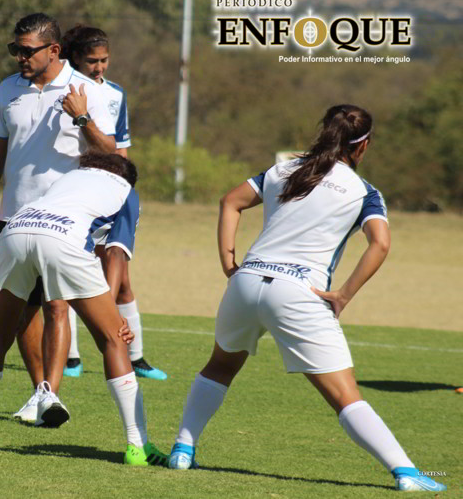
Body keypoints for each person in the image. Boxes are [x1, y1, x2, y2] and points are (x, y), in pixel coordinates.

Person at [167, 105, 446, 492]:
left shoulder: (283, 169)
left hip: (246, 283)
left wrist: (229, 264)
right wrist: (343, 295)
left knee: (219, 366)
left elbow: (229, 201)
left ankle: (183, 449)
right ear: (362, 146)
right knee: (345, 394)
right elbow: (380, 245)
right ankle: (406, 473)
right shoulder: (363, 192)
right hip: (299, 292)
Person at [0, 153, 167, 466]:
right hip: (62, 239)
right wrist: (112, 315)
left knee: (0, 333)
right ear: (126, 177)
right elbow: (115, 254)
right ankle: (138, 447)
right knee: (114, 340)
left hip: (16, 230)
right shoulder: (127, 191)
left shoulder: (70, 177)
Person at [0, 13, 117, 427]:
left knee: (57, 306)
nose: (19, 56)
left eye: (27, 50)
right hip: (13, 219)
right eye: (14, 49)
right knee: (19, 313)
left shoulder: (86, 90)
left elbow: (110, 152)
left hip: (65, 223)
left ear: (54, 50)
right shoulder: (7, 89)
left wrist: (82, 116)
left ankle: (51, 395)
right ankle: (40, 393)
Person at [58, 24, 166, 381]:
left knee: (122, 281)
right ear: (74, 57)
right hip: (74, 193)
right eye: (93, 60)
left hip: (111, 190)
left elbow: (120, 148)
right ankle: (72, 357)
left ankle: (136, 357)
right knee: (73, 274)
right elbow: (92, 145)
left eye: (104, 60)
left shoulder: (116, 93)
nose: (100, 67)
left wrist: (124, 184)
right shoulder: (66, 86)